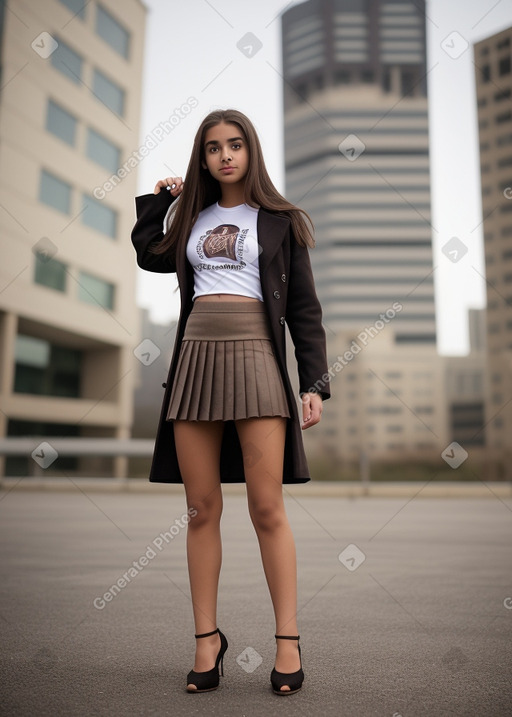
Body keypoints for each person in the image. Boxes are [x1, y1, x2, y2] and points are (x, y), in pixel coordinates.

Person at [131, 109, 330, 695]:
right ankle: (205, 640)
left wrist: (314, 383)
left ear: (251, 152)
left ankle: (287, 642)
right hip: (196, 360)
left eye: (235, 145)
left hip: (257, 362)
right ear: (204, 157)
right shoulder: (191, 218)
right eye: (214, 147)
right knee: (200, 510)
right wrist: (159, 200)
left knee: (267, 509)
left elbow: (305, 312)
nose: (225, 155)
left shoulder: (279, 222)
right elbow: (148, 254)